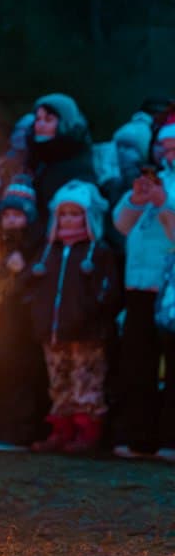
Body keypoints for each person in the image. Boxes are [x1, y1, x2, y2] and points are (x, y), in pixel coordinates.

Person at [26, 180, 121, 453]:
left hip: (86, 333)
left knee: (86, 382)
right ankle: (62, 430)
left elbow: (108, 292)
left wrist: (90, 315)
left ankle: (87, 431)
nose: (68, 220)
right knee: (59, 382)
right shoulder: (48, 252)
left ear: (89, 216)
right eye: (63, 214)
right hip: (53, 331)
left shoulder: (98, 253)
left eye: (75, 214)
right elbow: (30, 287)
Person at [111, 122, 175, 460]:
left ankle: (170, 439)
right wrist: (137, 199)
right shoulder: (156, 181)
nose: (168, 154)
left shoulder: (166, 189)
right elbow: (121, 225)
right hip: (138, 285)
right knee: (137, 363)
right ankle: (138, 436)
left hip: (170, 288)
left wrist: (164, 204)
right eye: (165, 148)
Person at [0, 177, 45, 451]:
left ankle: (19, 432)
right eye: (6, 214)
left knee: (21, 376)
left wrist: (22, 273)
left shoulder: (36, 246)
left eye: (17, 215)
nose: (10, 220)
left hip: (24, 325)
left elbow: (36, 281)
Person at [28, 93, 96, 219]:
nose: (40, 124)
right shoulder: (39, 157)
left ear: (65, 123)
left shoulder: (79, 166)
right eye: (38, 119)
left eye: (48, 120)